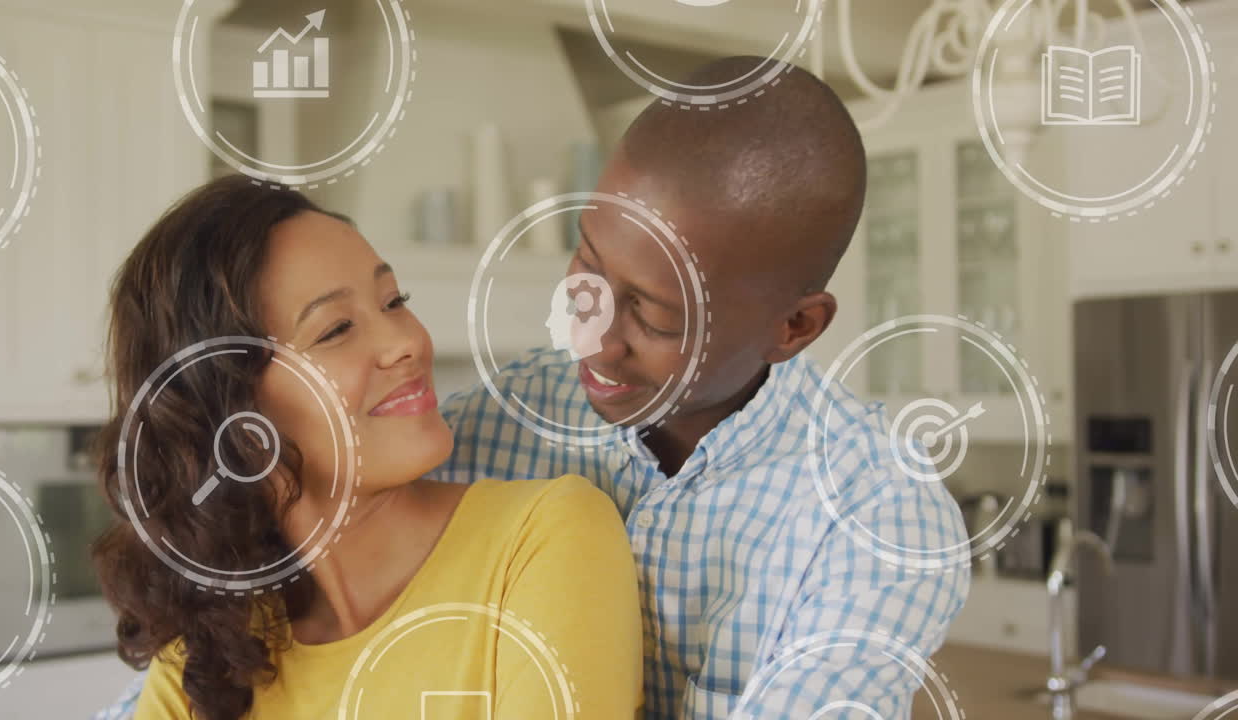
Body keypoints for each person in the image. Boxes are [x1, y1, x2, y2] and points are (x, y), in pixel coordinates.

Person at [97, 57, 969, 720]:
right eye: (586, 265)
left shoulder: (878, 513)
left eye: (655, 317)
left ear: (796, 327)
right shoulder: (479, 429)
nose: (588, 330)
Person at [91, 176, 644, 720]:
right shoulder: (209, 660)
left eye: (394, 300)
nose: (407, 342)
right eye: (336, 330)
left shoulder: (543, 540)